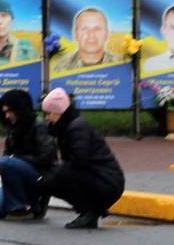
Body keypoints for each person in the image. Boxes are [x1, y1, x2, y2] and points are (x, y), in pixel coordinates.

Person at [40, 88, 125, 229]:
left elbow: (80, 161)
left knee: (56, 176)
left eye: (49, 113)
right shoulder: (66, 127)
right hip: (99, 177)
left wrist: (57, 171)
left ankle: (91, 212)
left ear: (59, 112)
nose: (47, 118)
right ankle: (88, 212)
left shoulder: (77, 128)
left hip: (107, 181)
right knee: (53, 177)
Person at [0, 89, 58, 219]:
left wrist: (17, 160)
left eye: (10, 111)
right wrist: (13, 162)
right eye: (5, 112)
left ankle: (22, 206)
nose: (7, 116)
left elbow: (47, 158)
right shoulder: (13, 128)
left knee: (6, 162)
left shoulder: (39, 125)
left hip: (40, 174)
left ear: (19, 109)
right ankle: (30, 205)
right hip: (20, 173)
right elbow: (7, 153)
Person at [50, 7, 124, 73]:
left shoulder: (122, 65)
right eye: (84, 29)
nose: (91, 35)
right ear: (75, 34)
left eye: (97, 29)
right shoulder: (60, 68)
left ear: (107, 34)